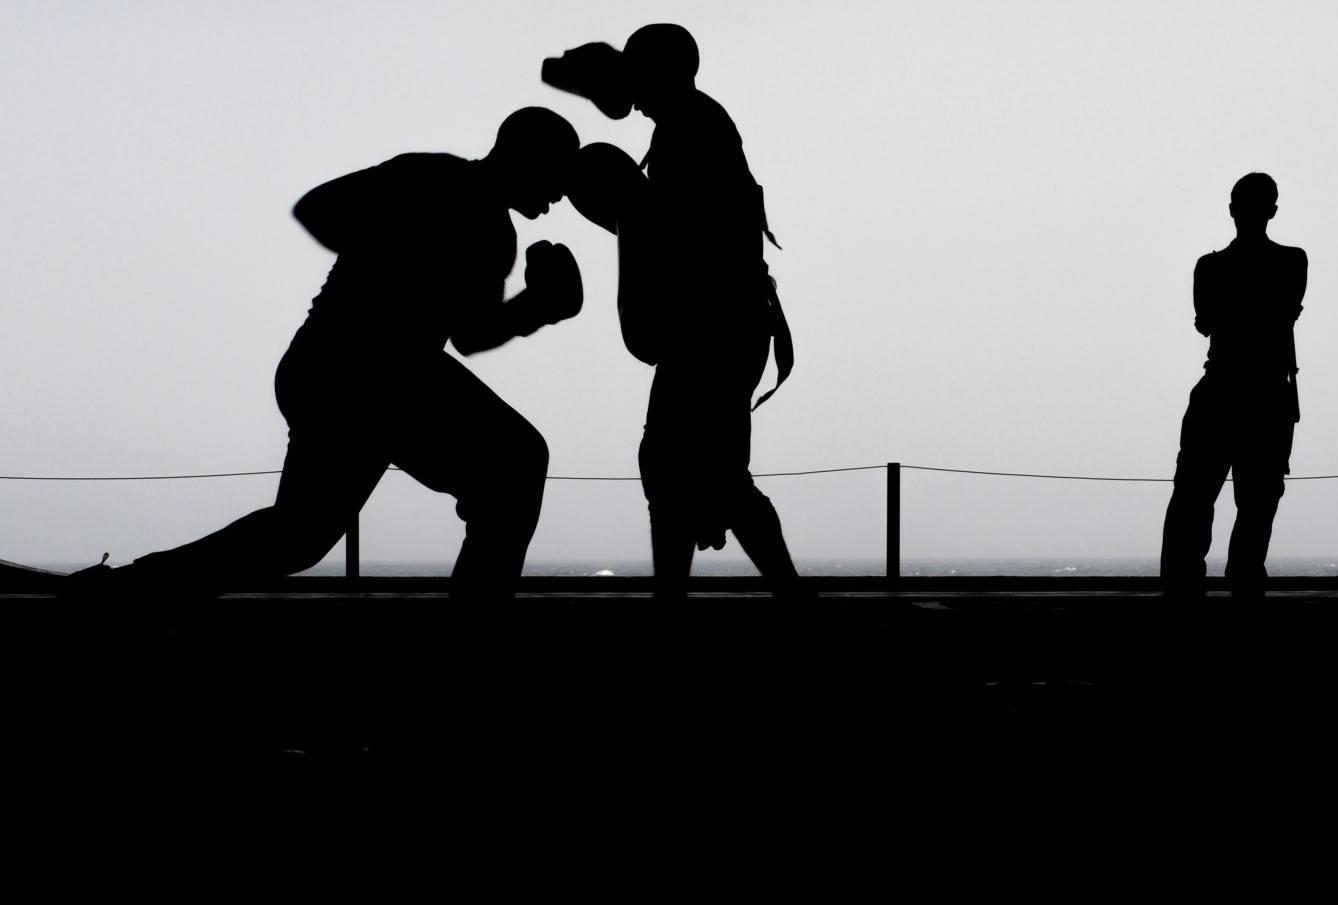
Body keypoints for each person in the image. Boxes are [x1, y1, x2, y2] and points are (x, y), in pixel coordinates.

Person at [70, 107, 585, 599]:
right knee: (513, 464)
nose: (561, 193)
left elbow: (471, 335)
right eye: (557, 173)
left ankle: (128, 592)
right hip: (353, 369)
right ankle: (127, 592)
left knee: (301, 535)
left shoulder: (497, 234)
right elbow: (317, 208)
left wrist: (534, 309)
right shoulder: (431, 178)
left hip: (377, 377)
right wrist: (390, 268)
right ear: (526, 156)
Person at [554, 38, 800, 592]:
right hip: (722, 327)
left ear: (658, 73)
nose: (632, 96)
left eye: (636, 76)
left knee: (687, 472)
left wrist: (617, 204)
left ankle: (714, 599)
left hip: (712, 330)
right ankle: (772, 594)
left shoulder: (693, 128)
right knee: (694, 471)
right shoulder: (690, 125)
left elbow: (684, 237)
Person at [1160, 173, 1307, 599]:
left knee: (1194, 495)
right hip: (1267, 394)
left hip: (1222, 388)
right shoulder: (1291, 261)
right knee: (1257, 500)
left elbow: (1206, 321)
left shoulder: (1210, 267)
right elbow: (1285, 313)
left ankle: (1183, 584)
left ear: (1232, 210)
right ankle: (1243, 580)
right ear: (1272, 211)